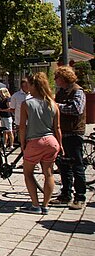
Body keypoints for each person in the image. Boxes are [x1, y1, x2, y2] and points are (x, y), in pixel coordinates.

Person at [18, 72, 62, 215]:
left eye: (29, 84)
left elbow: (22, 127)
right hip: (51, 141)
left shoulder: (27, 104)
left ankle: (35, 205)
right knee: (48, 173)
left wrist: (22, 143)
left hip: (35, 141)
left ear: (33, 86)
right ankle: (46, 205)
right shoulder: (53, 103)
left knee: (28, 172)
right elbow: (58, 128)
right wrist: (61, 145)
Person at [50, 66, 87, 210]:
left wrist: (56, 106)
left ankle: (80, 196)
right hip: (62, 132)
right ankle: (66, 194)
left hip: (73, 132)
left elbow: (77, 109)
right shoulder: (61, 92)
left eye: (57, 77)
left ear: (64, 78)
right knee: (63, 165)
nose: (55, 80)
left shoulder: (77, 91)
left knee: (77, 165)